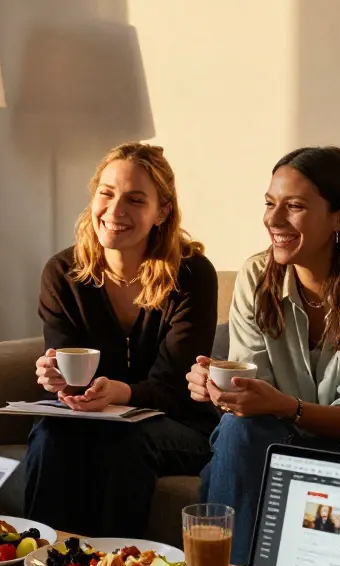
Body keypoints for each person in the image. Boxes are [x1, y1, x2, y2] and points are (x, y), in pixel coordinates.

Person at [187, 147, 340, 565]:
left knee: (235, 452)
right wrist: (219, 390)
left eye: (293, 206)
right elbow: (249, 399)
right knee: (238, 435)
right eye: (270, 203)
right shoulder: (257, 277)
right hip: (273, 444)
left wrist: (284, 406)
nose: (273, 220)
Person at [23, 142, 219, 537]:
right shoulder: (63, 273)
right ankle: (40, 565)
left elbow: (175, 390)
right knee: (48, 433)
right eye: (106, 194)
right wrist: (58, 379)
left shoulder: (192, 275)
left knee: (127, 440)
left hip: (177, 425)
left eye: (135, 199)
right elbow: (68, 366)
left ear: (161, 211)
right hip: (93, 418)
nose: (115, 212)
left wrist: (119, 392)